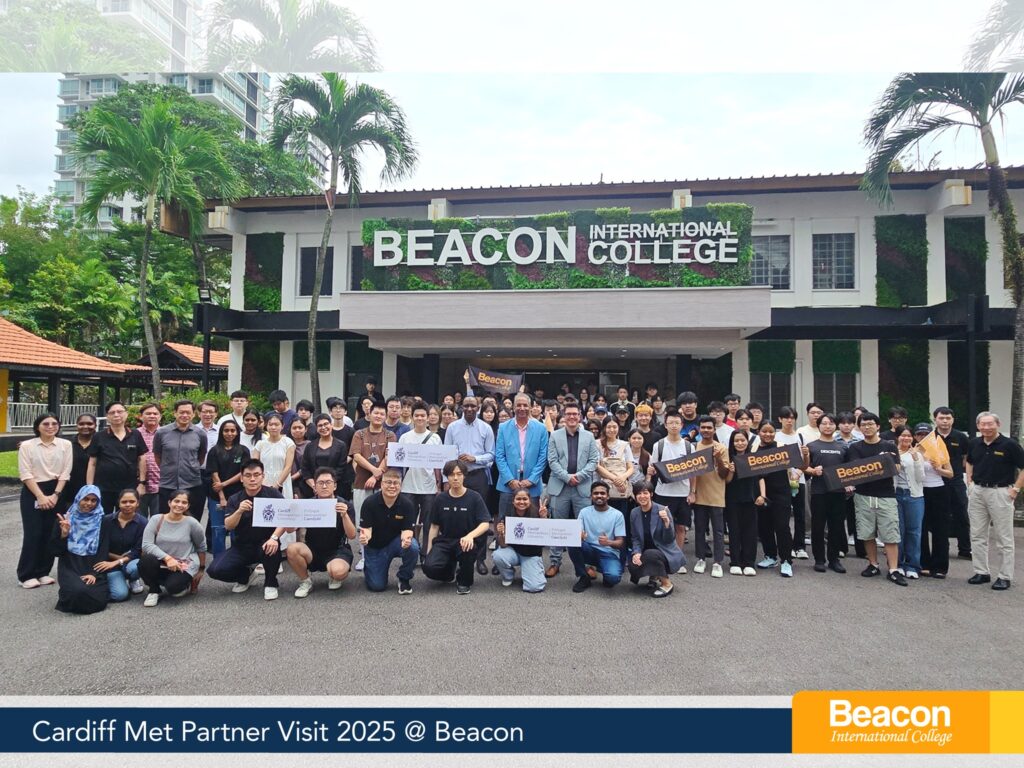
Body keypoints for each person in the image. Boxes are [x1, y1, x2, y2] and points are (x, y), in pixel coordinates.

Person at [207, 460, 288, 600]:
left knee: (272, 549)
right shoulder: (234, 498)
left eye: (256, 475)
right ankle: (246, 575)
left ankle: (270, 583)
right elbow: (229, 526)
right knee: (215, 570)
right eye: (248, 475)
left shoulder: (273, 494)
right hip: (242, 546)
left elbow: (285, 518)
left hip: (266, 542)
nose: (252, 479)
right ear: (241, 478)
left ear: (263, 476)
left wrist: (274, 538)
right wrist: (239, 511)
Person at [965, 411, 1024, 591]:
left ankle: (1004, 576)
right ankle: (981, 572)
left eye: (990, 424)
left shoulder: (1010, 445)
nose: (986, 427)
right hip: (978, 492)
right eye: (983, 424)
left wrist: (1015, 489)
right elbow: (969, 461)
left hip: (1001, 492)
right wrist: (970, 482)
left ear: (998, 424)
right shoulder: (974, 443)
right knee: (977, 535)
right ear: (978, 426)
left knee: (1004, 538)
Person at [847, 412, 906, 586]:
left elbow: (896, 468)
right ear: (859, 428)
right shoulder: (855, 448)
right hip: (863, 495)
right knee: (867, 533)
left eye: (870, 424)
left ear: (878, 426)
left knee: (890, 534)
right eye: (863, 425)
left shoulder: (889, 445)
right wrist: (881, 464)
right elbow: (856, 470)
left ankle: (893, 569)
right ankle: (873, 564)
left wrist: (872, 467)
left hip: (886, 495)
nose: (867, 427)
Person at [18, 412, 72, 589]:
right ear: (37, 427)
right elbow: (25, 473)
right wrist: (40, 496)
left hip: (57, 490)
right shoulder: (27, 446)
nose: (50, 427)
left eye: (54, 424)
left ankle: (43, 571)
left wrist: (55, 495)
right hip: (33, 490)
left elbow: (65, 472)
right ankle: (26, 574)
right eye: (46, 424)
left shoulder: (65, 445)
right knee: (33, 533)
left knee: (51, 532)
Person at [422, 460, 491, 594]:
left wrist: (470, 536)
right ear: (447, 477)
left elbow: (485, 523)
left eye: (459, 474)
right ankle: (449, 572)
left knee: (467, 549)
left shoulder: (474, 497)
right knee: (429, 567)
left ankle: (464, 581)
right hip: (446, 540)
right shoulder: (440, 499)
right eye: (451, 474)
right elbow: (434, 526)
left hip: (466, 541)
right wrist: (429, 551)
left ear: (464, 476)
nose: (455, 478)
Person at [287, 468, 356, 598]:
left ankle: (334, 576)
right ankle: (305, 581)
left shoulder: (344, 504)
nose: (324, 486)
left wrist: (344, 515)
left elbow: (352, 535)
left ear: (335, 485)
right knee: (292, 549)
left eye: (328, 482)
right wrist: (293, 512)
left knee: (338, 571)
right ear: (315, 486)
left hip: (337, 549)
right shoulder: (308, 504)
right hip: (312, 549)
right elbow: (290, 529)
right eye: (320, 483)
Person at [138, 489, 207, 607]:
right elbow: (146, 545)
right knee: (146, 560)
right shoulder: (156, 519)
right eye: (176, 501)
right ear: (169, 503)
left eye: (184, 502)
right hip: (161, 562)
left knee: (174, 589)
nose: (179, 505)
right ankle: (154, 590)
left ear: (188, 506)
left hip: (183, 564)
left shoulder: (192, 523)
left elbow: (201, 546)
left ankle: (182, 583)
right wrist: (168, 558)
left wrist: (201, 569)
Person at [349, 402, 397, 571]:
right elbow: (356, 455)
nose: (379, 416)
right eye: (376, 413)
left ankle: (381, 554)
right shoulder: (359, 434)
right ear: (369, 414)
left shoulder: (390, 435)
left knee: (382, 521)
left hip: (384, 485)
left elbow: (389, 456)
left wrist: (377, 474)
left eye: (382, 414)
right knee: (363, 520)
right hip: (361, 483)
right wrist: (374, 471)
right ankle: (364, 556)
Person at [358, 468, 419, 594]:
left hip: (395, 542)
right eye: (388, 482)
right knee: (377, 586)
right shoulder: (369, 503)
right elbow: (366, 529)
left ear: (400, 486)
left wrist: (406, 539)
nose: (392, 486)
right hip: (375, 546)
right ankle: (370, 568)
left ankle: (404, 578)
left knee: (413, 546)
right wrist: (365, 537)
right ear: (381, 484)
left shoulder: (407, 504)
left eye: (396, 483)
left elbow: (407, 530)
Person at [648, 409, 694, 570]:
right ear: (665, 425)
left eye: (677, 423)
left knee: (681, 527)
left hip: (683, 493)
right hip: (663, 493)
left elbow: (694, 472)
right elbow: (653, 467)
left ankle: (677, 560)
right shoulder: (659, 445)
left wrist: (692, 492)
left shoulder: (689, 447)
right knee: (663, 527)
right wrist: (650, 472)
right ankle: (663, 558)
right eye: (671, 423)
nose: (674, 426)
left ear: (682, 425)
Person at [52, 485, 109, 614]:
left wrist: (94, 573)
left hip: (93, 566)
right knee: (78, 591)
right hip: (70, 566)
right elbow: (56, 551)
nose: (89, 503)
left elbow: (103, 549)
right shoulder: (65, 520)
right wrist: (64, 535)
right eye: (86, 499)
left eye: (94, 500)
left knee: (97, 597)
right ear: (78, 499)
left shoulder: (102, 521)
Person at [804, 414, 850, 574]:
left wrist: (849, 483)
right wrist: (813, 471)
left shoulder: (843, 447)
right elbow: (804, 467)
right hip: (819, 491)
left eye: (831, 423)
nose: (827, 426)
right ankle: (819, 559)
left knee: (836, 526)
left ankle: (834, 559)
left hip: (838, 492)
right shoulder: (811, 446)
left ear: (835, 426)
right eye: (824, 423)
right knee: (817, 526)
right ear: (818, 426)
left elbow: (849, 469)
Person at [86, 401, 148, 516]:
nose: (116, 415)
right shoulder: (99, 436)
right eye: (112, 412)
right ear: (107, 416)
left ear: (126, 414)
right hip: (104, 488)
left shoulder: (135, 434)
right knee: (103, 519)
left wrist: (142, 483)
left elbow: (142, 459)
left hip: (129, 488)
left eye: (119, 411)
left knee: (128, 518)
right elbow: (92, 463)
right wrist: (90, 487)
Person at [495, 392, 549, 522]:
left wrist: (532, 479)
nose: (522, 408)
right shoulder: (503, 428)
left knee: (533, 524)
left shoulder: (541, 429)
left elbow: (543, 457)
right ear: (513, 407)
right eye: (518, 405)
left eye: (525, 405)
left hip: (532, 486)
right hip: (508, 485)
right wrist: (510, 480)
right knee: (504, 523)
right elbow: (500, 456)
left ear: (530, 407)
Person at [753, 422, 797, 578]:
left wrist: (803, 458)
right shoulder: (754, 449)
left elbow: (798, 465)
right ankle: (770, 556)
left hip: (781, 492)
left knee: (782, 527)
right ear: (758, 432)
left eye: (771, 431)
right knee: (764, 526)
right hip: (761, 493)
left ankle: (786, 560)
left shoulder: (782, 447)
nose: (767, 434)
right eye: (764, 431)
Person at [398, 401, 443, 553]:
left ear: (428, 417)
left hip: (429, 487)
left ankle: (426, 553)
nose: (420, 418)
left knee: (428, 523)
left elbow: (438, 464)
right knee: (408, 522)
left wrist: (438, 485)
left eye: (423, 415)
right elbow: (399, 461)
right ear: (412, 417)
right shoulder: (405, 437)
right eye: (416, 415)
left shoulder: (435, 438)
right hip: (408, 486)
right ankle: (410, 552)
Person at [689, 416, 731, 578]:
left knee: (718, 531)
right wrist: (692, 491)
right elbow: (690, 472)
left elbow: (724, 474)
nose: (706, 430)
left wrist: (718, 458)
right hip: (699, 494)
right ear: (699, 429)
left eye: (709, 427)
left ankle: (717, 562)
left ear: (714, 430)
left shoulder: (721, 448)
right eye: (703, 427)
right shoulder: (694, 447)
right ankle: (700, 559)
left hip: (717, 495)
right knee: (700, 529)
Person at [628, 481, 684, 597]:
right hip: (648, 552)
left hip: (665, 552)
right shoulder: (634, 513)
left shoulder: (662, 510)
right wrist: (636, 553)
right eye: (638, 493)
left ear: (651, 494)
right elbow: (635, 537)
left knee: (650, 554)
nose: (642, 496)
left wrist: (666, 522)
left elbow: (669, 539)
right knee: (633, 564)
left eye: (645, 493)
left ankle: (667, 584)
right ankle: (654, 574)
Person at [153, 399, 207, 518]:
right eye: (181, 412)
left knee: (192, 519)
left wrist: (190, 467)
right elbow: (157, 456)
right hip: (168, 484)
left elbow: (201, 456)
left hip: (192, 483)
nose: (185, 415)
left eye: (188, 412)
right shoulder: (161, 433)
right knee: (166, 519)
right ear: (175, 413)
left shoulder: (200, 434)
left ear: (193, 414)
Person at [568, 481, 626, 592]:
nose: (599, 496)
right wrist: (579, 536)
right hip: (589, 550)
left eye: (602, 493)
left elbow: (620, 542)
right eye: (595, 493)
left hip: (609, 553)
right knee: (573, 542)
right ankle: (584, 576)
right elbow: (577, 533)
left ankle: (604, 571)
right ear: (591, 496)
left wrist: (609, 542)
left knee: (613, 578)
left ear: (608, 496)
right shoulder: (584, 512)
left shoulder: (617, 515)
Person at [914, 422, 954, 579]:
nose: (922, 437)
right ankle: (923, 563)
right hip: (920, 492)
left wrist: (938, 468)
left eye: (926, 434)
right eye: (919, 434)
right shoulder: (913, 451)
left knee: (940, 530)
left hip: (939, 491)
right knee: (921, 528)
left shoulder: (939, 449)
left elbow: (950, 473)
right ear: (915, 436)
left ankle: (940, 566)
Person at [206, 420, 251, 554]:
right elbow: (214, 474)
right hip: (217, 496)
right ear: (221, 432)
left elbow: (243, 472)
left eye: (233, 430)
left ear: (237, 432)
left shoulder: (243, 450)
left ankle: (235, 558)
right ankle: (219, 559)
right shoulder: (214, 451)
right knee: (218, 529)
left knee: (236, 528)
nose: (229, 433)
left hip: (238, 496)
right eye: (226, 430)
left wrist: (224, 484)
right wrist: (222, 497)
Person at [933, 406, 971, 560]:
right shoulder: (930, 437)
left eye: (948, 418)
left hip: (956, 482)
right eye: (941, 418)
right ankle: (941, 550)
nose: (944, 421)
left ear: (953, 420)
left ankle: (965, 549)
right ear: (935, 419)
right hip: (936, 483)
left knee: (961, 514)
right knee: (938, 517)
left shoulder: (961, 437)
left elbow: (966, 458)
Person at [97, 488, 147, 601]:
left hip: (130, 561)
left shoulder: (143, 523)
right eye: (124, 502)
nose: (128, 505)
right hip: (109, 563)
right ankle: (115, 581)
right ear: (119, 503)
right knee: (120, 595)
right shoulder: (106, 520)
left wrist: (120, 560)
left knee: (135, 568)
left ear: (137, 503)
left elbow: (138, 550)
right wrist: (117, 559)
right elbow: (100, 546)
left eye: (132, 501)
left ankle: (133, 579)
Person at [493, 489, 548, 592]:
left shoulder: (537, 513)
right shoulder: (507, 515)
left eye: (524, 499)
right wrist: (501, 534)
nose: (521, 502)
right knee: (498, 555)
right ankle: (508, 576)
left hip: (531, 554)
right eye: (518, 499)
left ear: (529, 500)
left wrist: (543, 518)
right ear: (513, 501)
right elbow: (503, 545)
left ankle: (533, 569)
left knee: (534, 587)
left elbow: (545, 538)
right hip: (513, 552)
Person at [442, 395, 495, 500]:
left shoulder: (486, 428)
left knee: (478, 506)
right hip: (457, 475)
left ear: (478, 408)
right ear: (462, 407)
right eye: (466, 406)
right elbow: (446, 455)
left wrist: (475, 458)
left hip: (478, 475)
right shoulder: (452, 427)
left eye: (473, 406)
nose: (469, 409)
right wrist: (446, 480)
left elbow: (491, 455)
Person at [776, 406, 809, 560]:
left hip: (798, 480)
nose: (789, 421)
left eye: (792, 418)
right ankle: (786, 546)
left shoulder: (800, 436)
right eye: (786, 418)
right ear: (780, 419)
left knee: (800, 514)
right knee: (783, 515)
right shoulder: (776, 437)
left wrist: (799, 473)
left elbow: (806, 460)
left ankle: (800, 546)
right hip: (781, 481)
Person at [724, 430, 758, 576]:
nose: (740, 443)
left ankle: (749, 563)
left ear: (747, 441)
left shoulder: (754, 458)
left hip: (750, 499)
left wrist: (761, 495)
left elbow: (760, 478)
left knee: (750, 531)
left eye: (742, 440)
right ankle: (735, 562)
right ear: (732, 443)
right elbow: (726, 481)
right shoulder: (728, 458)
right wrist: (731, 470)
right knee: (734, 531)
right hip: (732, 499)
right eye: (736, 441)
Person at [893, 426, 925, 579]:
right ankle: (897, 564)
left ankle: (912, 565)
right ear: (897, 437)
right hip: (896, 495)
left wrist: (916, 460)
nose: (906, 438)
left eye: (909, 436)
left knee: (914, 531)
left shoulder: (917, 454)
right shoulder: (891, 453)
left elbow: (920, 478)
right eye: (903, 435)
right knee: (898, 531)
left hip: (914, 496)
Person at [302, 414, 351, 500]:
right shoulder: (310, 446)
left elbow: (341, 468)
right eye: (320, 425)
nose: (323, 427)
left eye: (326, 424)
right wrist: (315, 486)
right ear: (317, 429)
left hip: (337, 489)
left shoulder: (341, 445)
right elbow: (305, 468)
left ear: (331, 425)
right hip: (313, 490)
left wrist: (328, 485)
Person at [253, 413, 296, 499]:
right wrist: (261, 483)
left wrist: (277, 485)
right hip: (263, 482)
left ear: (282, 426)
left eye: (276, 424)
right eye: (270, 424)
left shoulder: (288, 442)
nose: (273, 427)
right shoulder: (260, 444)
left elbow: (288, 467)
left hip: (282, 482)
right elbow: (254, 465)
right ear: (266, 426)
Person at [136, 402, 162, 517]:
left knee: (159, 521)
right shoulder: (134, 434)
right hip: (139, 486)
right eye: (148, 413)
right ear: (141, 416)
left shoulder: (166, 433)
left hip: (161, 485)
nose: (152, 416)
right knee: (139, 520)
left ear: (160, 416)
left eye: (155, 413)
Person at [65, 413, 97, 506]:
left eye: (89, 424)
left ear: (95, 425)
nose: (85, 426)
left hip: (94, 489)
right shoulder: (67, 443)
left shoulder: (101, 443)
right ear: (77, 425)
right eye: (81, 424)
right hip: (70, 489)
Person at [289, 419, 310, 496]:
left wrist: (293, 477)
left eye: (300, 427)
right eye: (294, 428)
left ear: (306, 429)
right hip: (287, 483)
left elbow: (308, 465)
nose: (297, 430)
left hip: (305, 483)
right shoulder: (286, 444)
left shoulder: (310, 445)